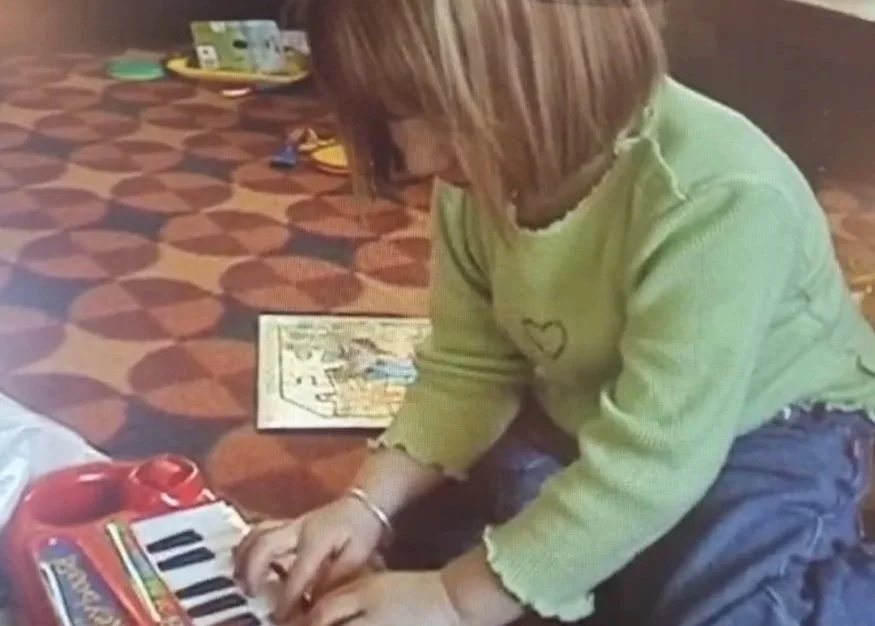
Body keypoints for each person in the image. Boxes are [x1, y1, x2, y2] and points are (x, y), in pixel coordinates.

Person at [233, 1, 875, 624]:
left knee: (719, 597)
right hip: (601, 405)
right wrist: (365, 505)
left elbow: (655, 460)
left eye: (435, 112)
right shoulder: (480, 171)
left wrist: (459, 601)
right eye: (398, 118)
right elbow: (467, 369)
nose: (421, 160)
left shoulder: (720, 197)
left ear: (552, 66)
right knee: (444, 523)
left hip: (778, 421)